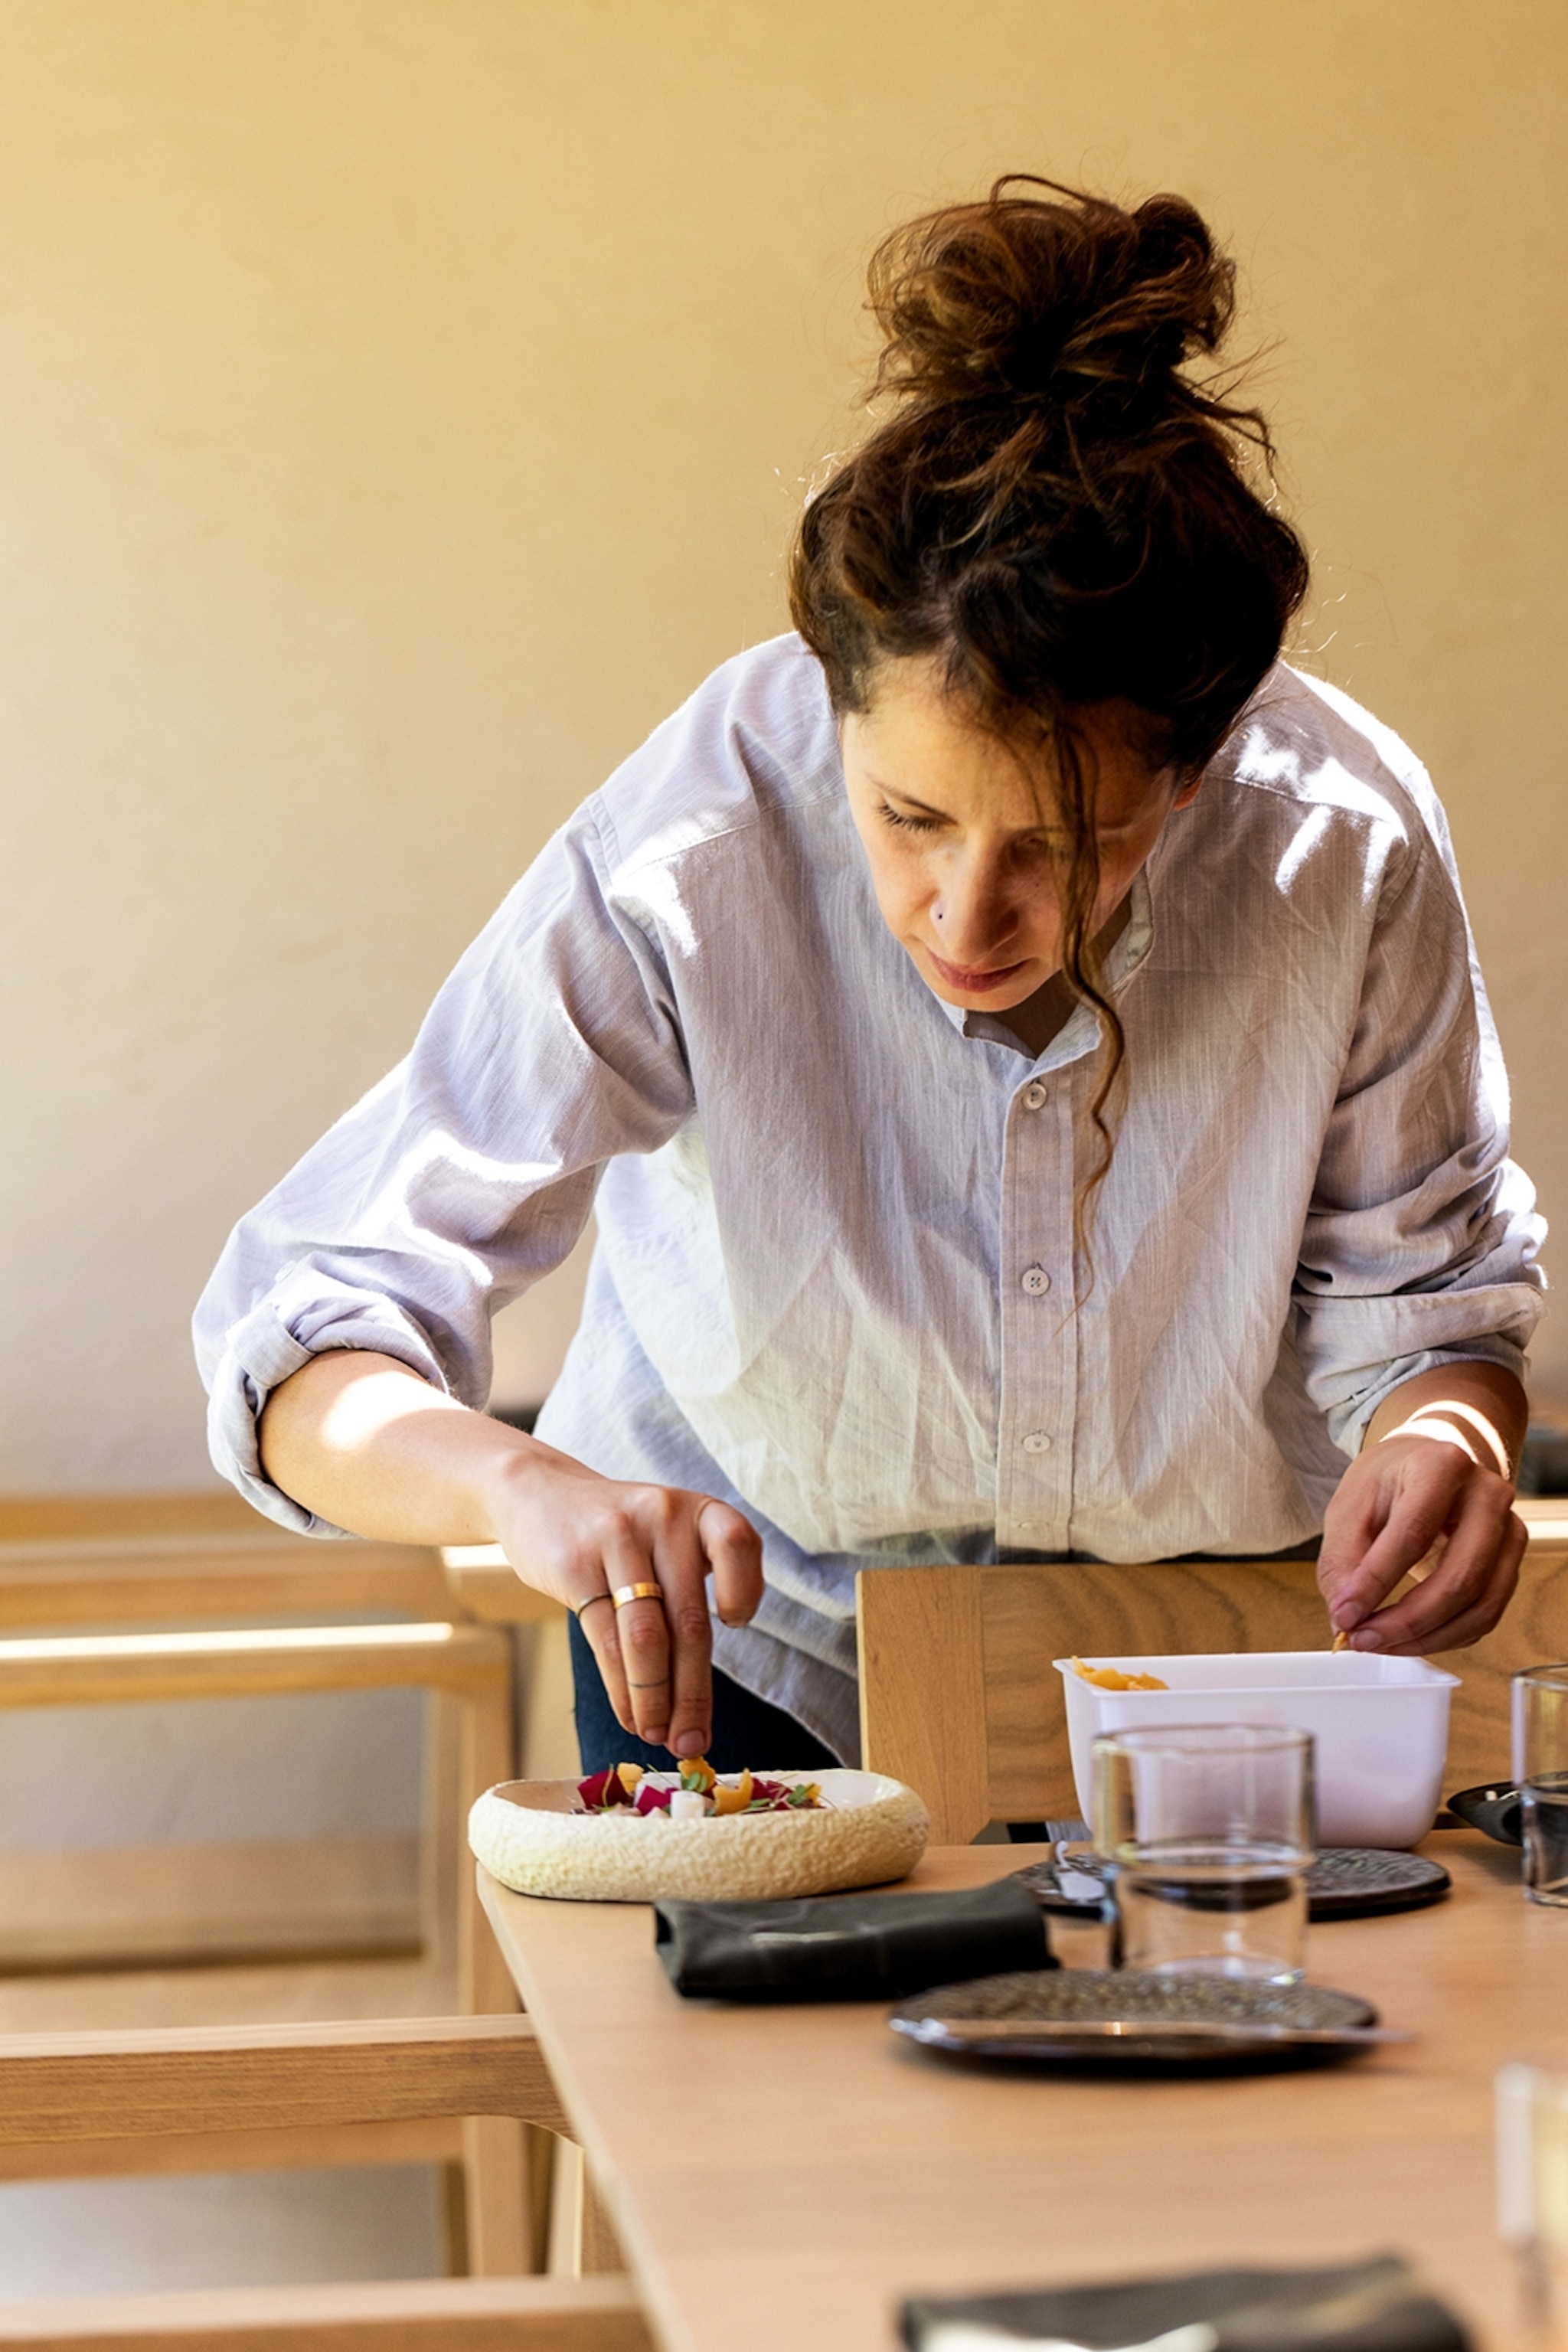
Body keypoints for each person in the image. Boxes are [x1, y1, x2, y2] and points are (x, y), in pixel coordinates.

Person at [194, 176, 1544, 1778]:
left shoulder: (1333, 837)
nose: (967, 913)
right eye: (907, 817)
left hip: (1208, 1655)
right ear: (833, 706)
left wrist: (1445, 1429)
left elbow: (1425, 1310)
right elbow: (313, 1312)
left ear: (1192, 776)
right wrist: (519, 1484)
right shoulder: (698, 833)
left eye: (1066, 841)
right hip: (759, 1646)